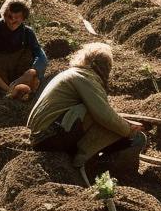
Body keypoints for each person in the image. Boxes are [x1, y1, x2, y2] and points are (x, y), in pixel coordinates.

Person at [26, 42, 146, 175]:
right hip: (51, 137)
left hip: (43, 135)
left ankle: (89, 160)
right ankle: (93, 168)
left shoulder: (73, 74)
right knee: (136, 138)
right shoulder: (85, 78)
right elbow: (103, 115)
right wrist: (129, 130)